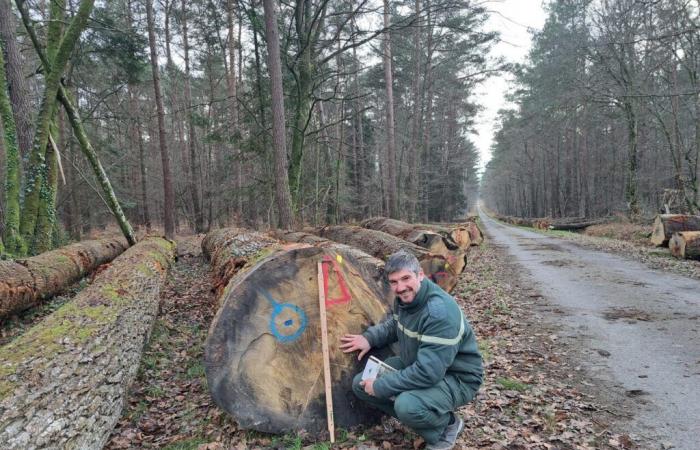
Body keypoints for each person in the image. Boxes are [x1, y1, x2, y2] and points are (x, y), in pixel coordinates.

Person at [340, 250, 483, 450]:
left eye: (406, 278)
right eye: (394, 282)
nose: (401, 287)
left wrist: (382, 386)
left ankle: (446, 426)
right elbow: (394, 325)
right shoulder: (405, 300)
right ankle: (422, 414)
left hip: (457, 378)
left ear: (420, 275)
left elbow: (428, 373)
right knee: (360, 384)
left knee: (406, 406)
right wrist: (369, 338)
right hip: (418, 362)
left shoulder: (438, 313)